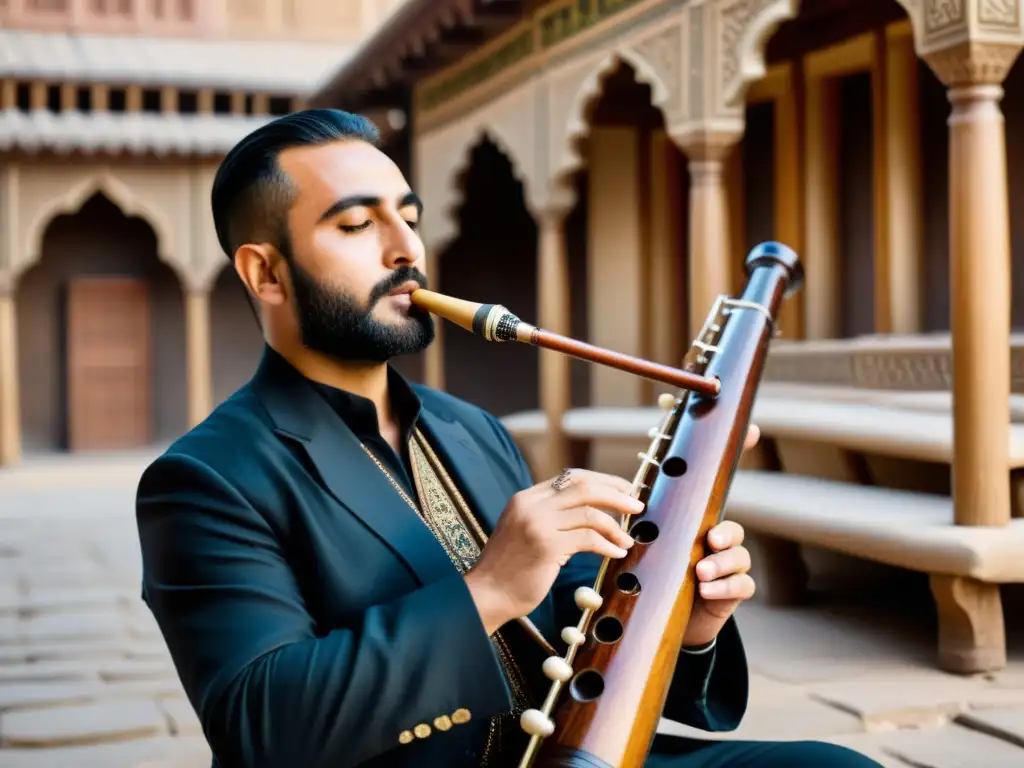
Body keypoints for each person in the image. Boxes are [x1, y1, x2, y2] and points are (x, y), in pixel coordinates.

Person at [135, 108, 880, 768]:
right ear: (266, 273)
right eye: (359, 226)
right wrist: (487, 590)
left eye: (410, 217)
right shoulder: (205, 478)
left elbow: (574, 638)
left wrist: (692, 622)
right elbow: (259, 728)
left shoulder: (470, 428)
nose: (406, 250)